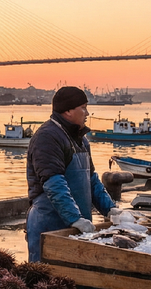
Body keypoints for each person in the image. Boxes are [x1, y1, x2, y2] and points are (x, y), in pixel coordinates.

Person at [25, 86, 116, 261]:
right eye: (83, 107)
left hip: (80, 226)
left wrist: (110, 209)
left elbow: (91, 179)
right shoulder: (47, 137)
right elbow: (53, 183)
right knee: (49, 283)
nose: (87, 113)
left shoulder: (80, 139)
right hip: (50, 225)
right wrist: (74, 218)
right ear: (67, 110)